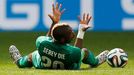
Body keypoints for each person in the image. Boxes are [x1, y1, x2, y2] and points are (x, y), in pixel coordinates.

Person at [9, 3, 109, 70]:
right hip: (68, 67)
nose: (73, 33)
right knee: (84, 51)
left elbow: (47, 40)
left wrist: (54, 23)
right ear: (62, 39)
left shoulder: (41, 42)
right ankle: (95, 62)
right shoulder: (71, 51)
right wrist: (81, 31)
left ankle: (20, 62)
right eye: (70, 33)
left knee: (34, 54)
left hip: (43, 66)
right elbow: (77, 52)